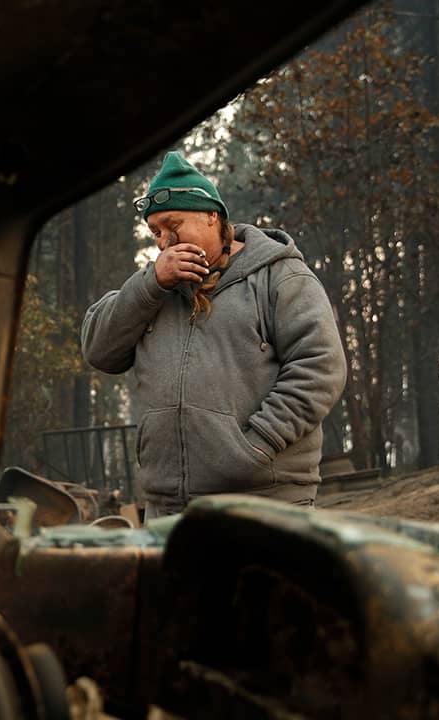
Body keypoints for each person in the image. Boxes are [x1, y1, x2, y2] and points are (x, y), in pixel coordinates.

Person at [81, 152, 346, 519]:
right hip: (168, 509)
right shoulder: (152, 289)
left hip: (265, 501)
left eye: (173, 225)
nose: (164, 242)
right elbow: (98, 350)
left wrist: (255, 445)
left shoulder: (280, 277)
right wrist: (151, 284)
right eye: (155, 232)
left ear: (211, 215)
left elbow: (320, 368)